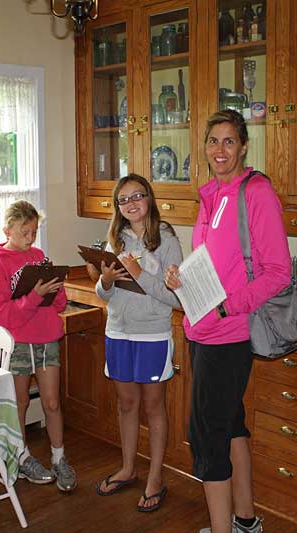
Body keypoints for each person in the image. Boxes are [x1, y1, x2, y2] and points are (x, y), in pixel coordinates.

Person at [164, 110, 290, 533]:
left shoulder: (256, 194)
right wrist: (182, 277)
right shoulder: (211, 195)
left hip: (228, 334)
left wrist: (225, 307)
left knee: (207, 436)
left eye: (229, 141)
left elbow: (278, 272)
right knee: (230, 424)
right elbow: (217, 263)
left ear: (244, 146)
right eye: (213, 141)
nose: (220, 150)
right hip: (201, 329)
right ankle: (246, 522)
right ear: (203, 147)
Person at [93, 174, 183, 513]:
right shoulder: (115, 238)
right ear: (118, 206)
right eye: (123, 199)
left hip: (152, 334)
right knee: (127, 405)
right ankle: (129, 469)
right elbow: (105, 294)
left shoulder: (167, 238)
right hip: (118, 331)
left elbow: (177, 297)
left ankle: (155, 478)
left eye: (137, 196)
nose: (131, 204)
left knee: (153, 407)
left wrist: (140, 273)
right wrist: (105, 281)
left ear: (149, 199)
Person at [0, 200, 77, 492]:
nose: (30, 239)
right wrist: (35, 296)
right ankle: (22, 457)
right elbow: (0, 315)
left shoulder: (38, 256)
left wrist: (57, 290)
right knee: (19, 403)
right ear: (7, 230)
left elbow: (58, 304)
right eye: (24, 232)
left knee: (52, 401)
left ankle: (59, 457)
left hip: (46, 337)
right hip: (16, 342)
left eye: (34, 231)